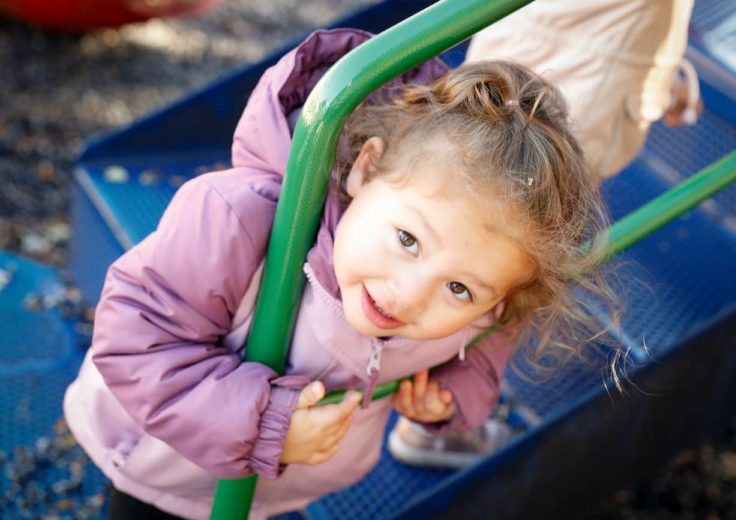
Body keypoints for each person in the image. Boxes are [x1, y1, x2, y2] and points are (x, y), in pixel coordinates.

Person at [63, 27, 616, 520]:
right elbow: (135, 339)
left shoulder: (491, 292)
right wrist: (266, 428)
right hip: (163, 460)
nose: (409, 295)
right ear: (367, 169)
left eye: (457, 288)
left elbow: (490, 340)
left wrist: (450, 395)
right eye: (407, 240)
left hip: (280, 483)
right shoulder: (241, 219)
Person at [387, 0, 701, 469]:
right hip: (569, 112)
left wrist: (664, 79)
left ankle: (435, 396)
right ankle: (440, 413)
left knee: (460, 251)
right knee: (501, 270)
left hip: (513, 76)